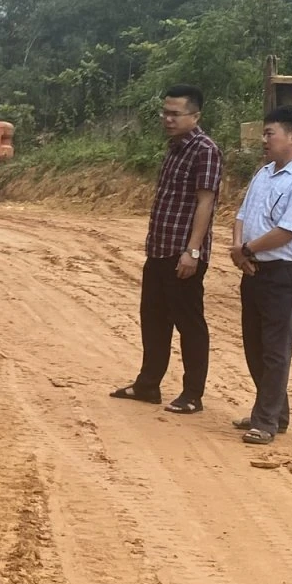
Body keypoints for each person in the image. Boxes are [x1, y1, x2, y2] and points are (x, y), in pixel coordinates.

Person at [111, 85, 222, 414]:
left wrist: (193, 252)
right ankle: (148, 385)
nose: (167, 119)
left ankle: (192, 394)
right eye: (165, 112)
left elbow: (205, 204)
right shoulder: (175, 147)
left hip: (182, 254)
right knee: (153, 319)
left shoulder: (205, 150)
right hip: (159, 250)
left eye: (175, 114)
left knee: (189, 324)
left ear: (195, 116)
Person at [230, 104, 292, 445]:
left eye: (270, 134)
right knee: (255, 345)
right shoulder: (264, 173)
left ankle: (266, 421)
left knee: (275, 348)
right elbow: (242, 214)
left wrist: (247, 251)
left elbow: (289, 230)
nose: (264, 140)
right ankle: (274, 411)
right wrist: (240, 250)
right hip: (253, 268)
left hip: (283, 272)